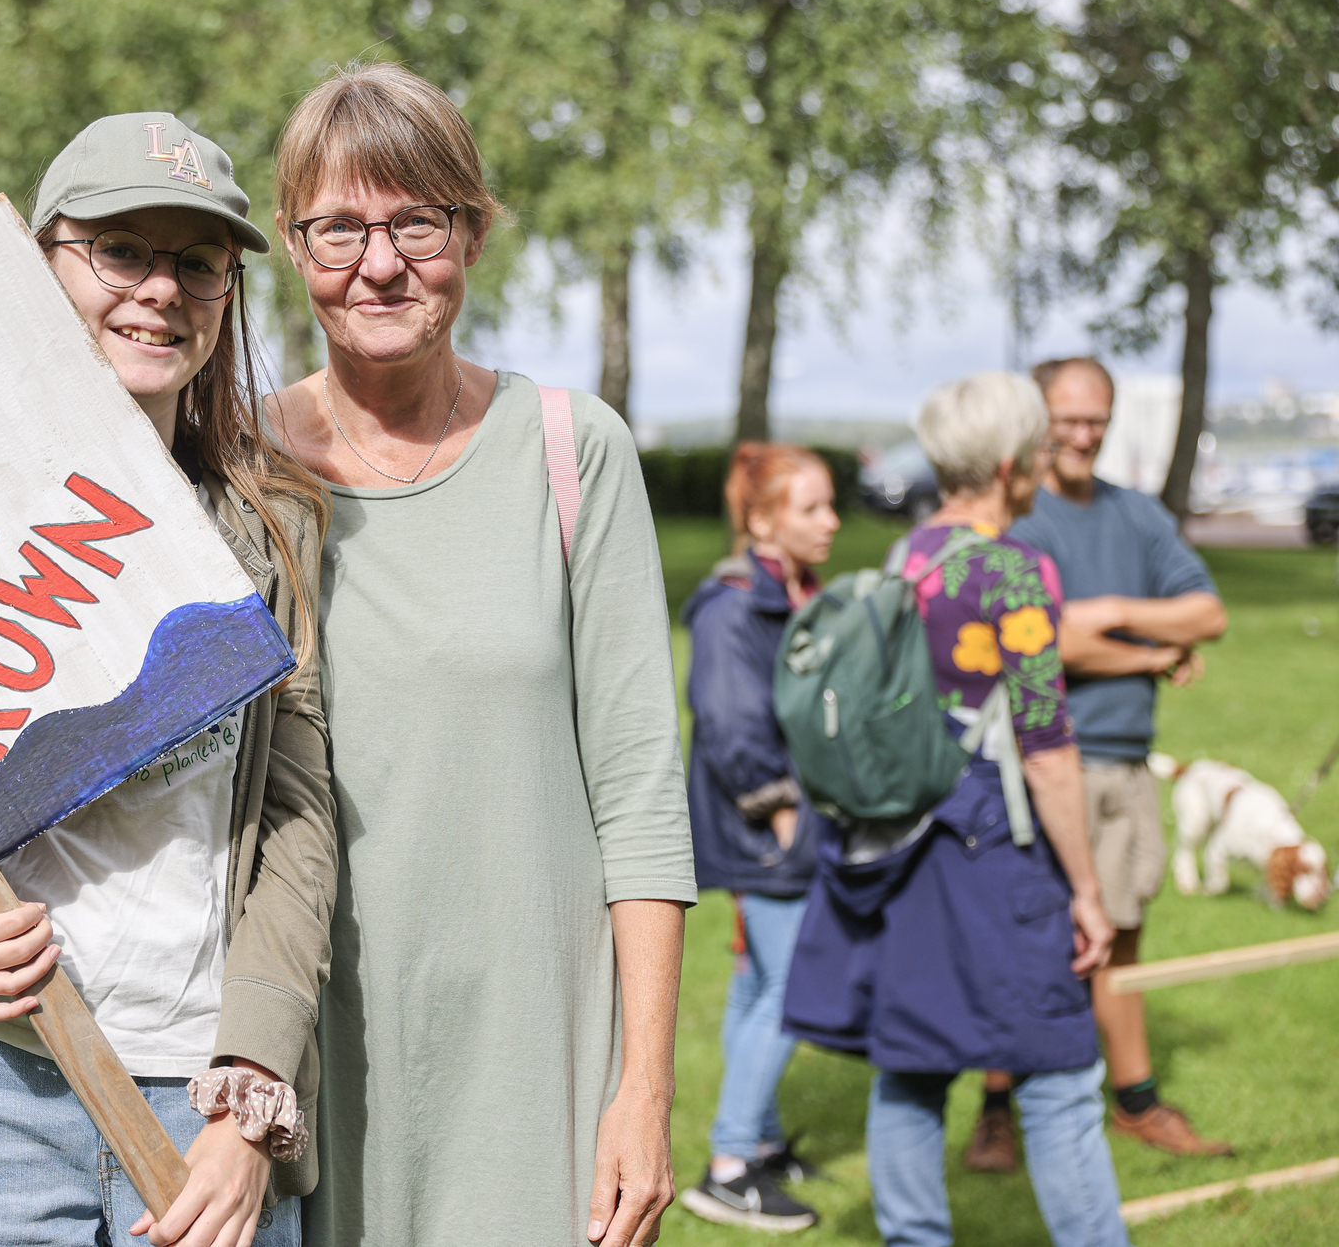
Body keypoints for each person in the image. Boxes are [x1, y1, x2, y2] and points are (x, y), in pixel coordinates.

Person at [0, 113, 337, 1247]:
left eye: (197, 260)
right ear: (41, 263)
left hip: (205, 1104)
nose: (159, 289)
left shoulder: (269, 532)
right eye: (119, 251)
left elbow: (297, 818)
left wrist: (251, 1088)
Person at [264, 63, 697, 1247]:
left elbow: (640, 793)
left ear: (473, 229)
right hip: (312, 1051)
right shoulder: (243, 469)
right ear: (291, 244)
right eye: (339, 226)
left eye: (416, 219)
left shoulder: (570, 451)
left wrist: (641, 1092)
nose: (380, 261)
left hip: (536, 1059)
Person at [783, 371, 1129, 1247]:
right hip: (991, 842)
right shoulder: (1017, 568)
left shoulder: (912, 554)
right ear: (1013, 463)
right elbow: (1046, 745)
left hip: (908, 836)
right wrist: (1085, 888)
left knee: (913, 1063)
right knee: (1057, 1068)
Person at [963, 356, 1231, 1168]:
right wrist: (1153, 650)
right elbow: (1047, 639)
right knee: (1031, 939)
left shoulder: (1136, 514)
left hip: (1125, 763)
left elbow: (1208, 610)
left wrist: (1111, 612)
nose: (1082, 435)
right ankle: (999, 1107)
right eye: (1067, 418)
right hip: (1045, 760)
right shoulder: (1021, 519)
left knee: (1121, 937)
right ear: (1037, 418)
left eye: (1096, 419)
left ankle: (1133, 1102)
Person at [677, 445, 838, 1234]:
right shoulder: (736, 602)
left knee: (757, 982)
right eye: (812, 508)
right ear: (764, 519)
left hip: (780, 821)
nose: (832, 521)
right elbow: (730, 718)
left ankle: (761, 1138)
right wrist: (780, 809)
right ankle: (730, 1165)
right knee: (792, 986)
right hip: (764, 824)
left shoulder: (792, 592)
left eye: (830, 504)